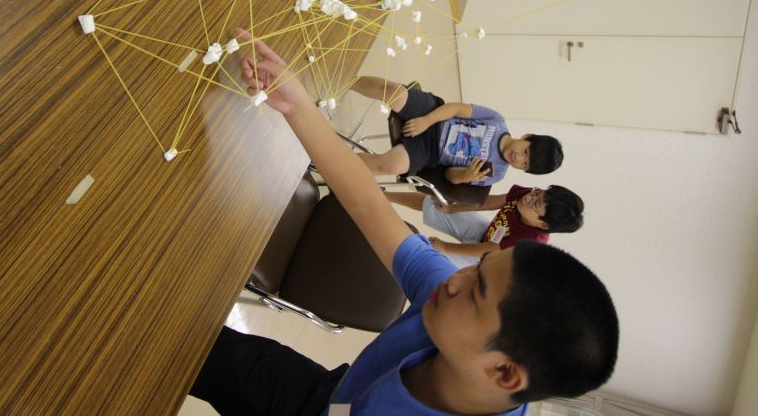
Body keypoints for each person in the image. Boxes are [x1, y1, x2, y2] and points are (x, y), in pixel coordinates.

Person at [189, 31, 619, 416]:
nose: (453, 281)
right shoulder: (448, 291)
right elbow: (370, 205)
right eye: (477, 270)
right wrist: (299, 106)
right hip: (331, 396)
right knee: (194, 351)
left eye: (477, 293)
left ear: (505, 373)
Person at [347, 76, 563, 188]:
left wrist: (466, 176)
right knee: (396, 94)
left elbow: (449, 175)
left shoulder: (495, 173)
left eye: (524, 164)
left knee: (391, 166)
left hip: (430, 151)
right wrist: (427, 120)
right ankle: (345, 79)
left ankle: (332, 160)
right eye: (526, 152)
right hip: (434, 115)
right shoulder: (497, 121)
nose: (518, 158)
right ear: (527, 137)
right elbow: (457, 108)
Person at [386, 184, 584, 267]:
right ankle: (384, 195)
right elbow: (489, 202)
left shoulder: (530, 241)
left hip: (485, 262)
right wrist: (455, 208)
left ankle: (385, 246)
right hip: (489, 233)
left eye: (535, 203)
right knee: (438, 204)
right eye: (536, 193)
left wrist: (446, 247)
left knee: (430, 255)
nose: (528, 198)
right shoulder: (525, 196)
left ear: (542, 224)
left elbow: (488, 250)